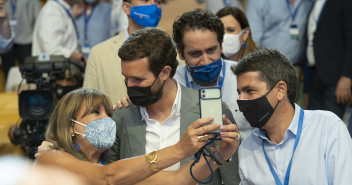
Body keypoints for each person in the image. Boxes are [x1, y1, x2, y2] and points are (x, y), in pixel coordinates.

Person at [106, 27, 241, 185]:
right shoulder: (121, 115)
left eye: (138, 79)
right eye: (126, 78)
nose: (129, 85)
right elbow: (110, 176)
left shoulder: (208, 110)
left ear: (165, 73)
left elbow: (231, 178)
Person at [36, 88, 239, 185]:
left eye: (108, 112)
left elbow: (179, 178)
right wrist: (180, 149)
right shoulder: (51, 157)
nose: (107, 119)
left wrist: (219, 156)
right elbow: (107, 178)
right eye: (95, 113)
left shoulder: (113, 166)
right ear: (71, 125)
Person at [233, 48, 352, 184]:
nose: (240, 100)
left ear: (280, 90)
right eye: (239, 92)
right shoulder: (248, 146)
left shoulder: (327, 128)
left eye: (249, 91)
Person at [172, 9, 252, 142]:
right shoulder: (170, 84)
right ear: (180, 53)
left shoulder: (245, 77)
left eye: (211, 50)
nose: (205, 61)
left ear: (221, 46)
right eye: (195, 53)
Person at [83, 0, 162, 104]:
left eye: (157, 1)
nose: (153, 4)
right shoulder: (99, 54)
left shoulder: (173, 52)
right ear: (126, 7)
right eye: (146, 0)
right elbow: (88, 104)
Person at [246, 0, 314, 104]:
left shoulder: (308, 2)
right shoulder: (259, 2)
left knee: (292, 114)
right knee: (268, 113)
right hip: (267, 69)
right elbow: (252, 40)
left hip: (295, 69)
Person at [305, 0, 352, 119]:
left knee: (331, 127)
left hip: (336, 79)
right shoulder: (313, 3)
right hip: (314, 74)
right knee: (313, 126)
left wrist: (347, 76)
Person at [1, 0, 40, 80]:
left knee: (28, 73)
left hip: (26, 40)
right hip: (6, 40)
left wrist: (35, 39)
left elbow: (38, 19)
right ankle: (10, 91)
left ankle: (28, 91)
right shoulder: (4, 1)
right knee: (8, 72)